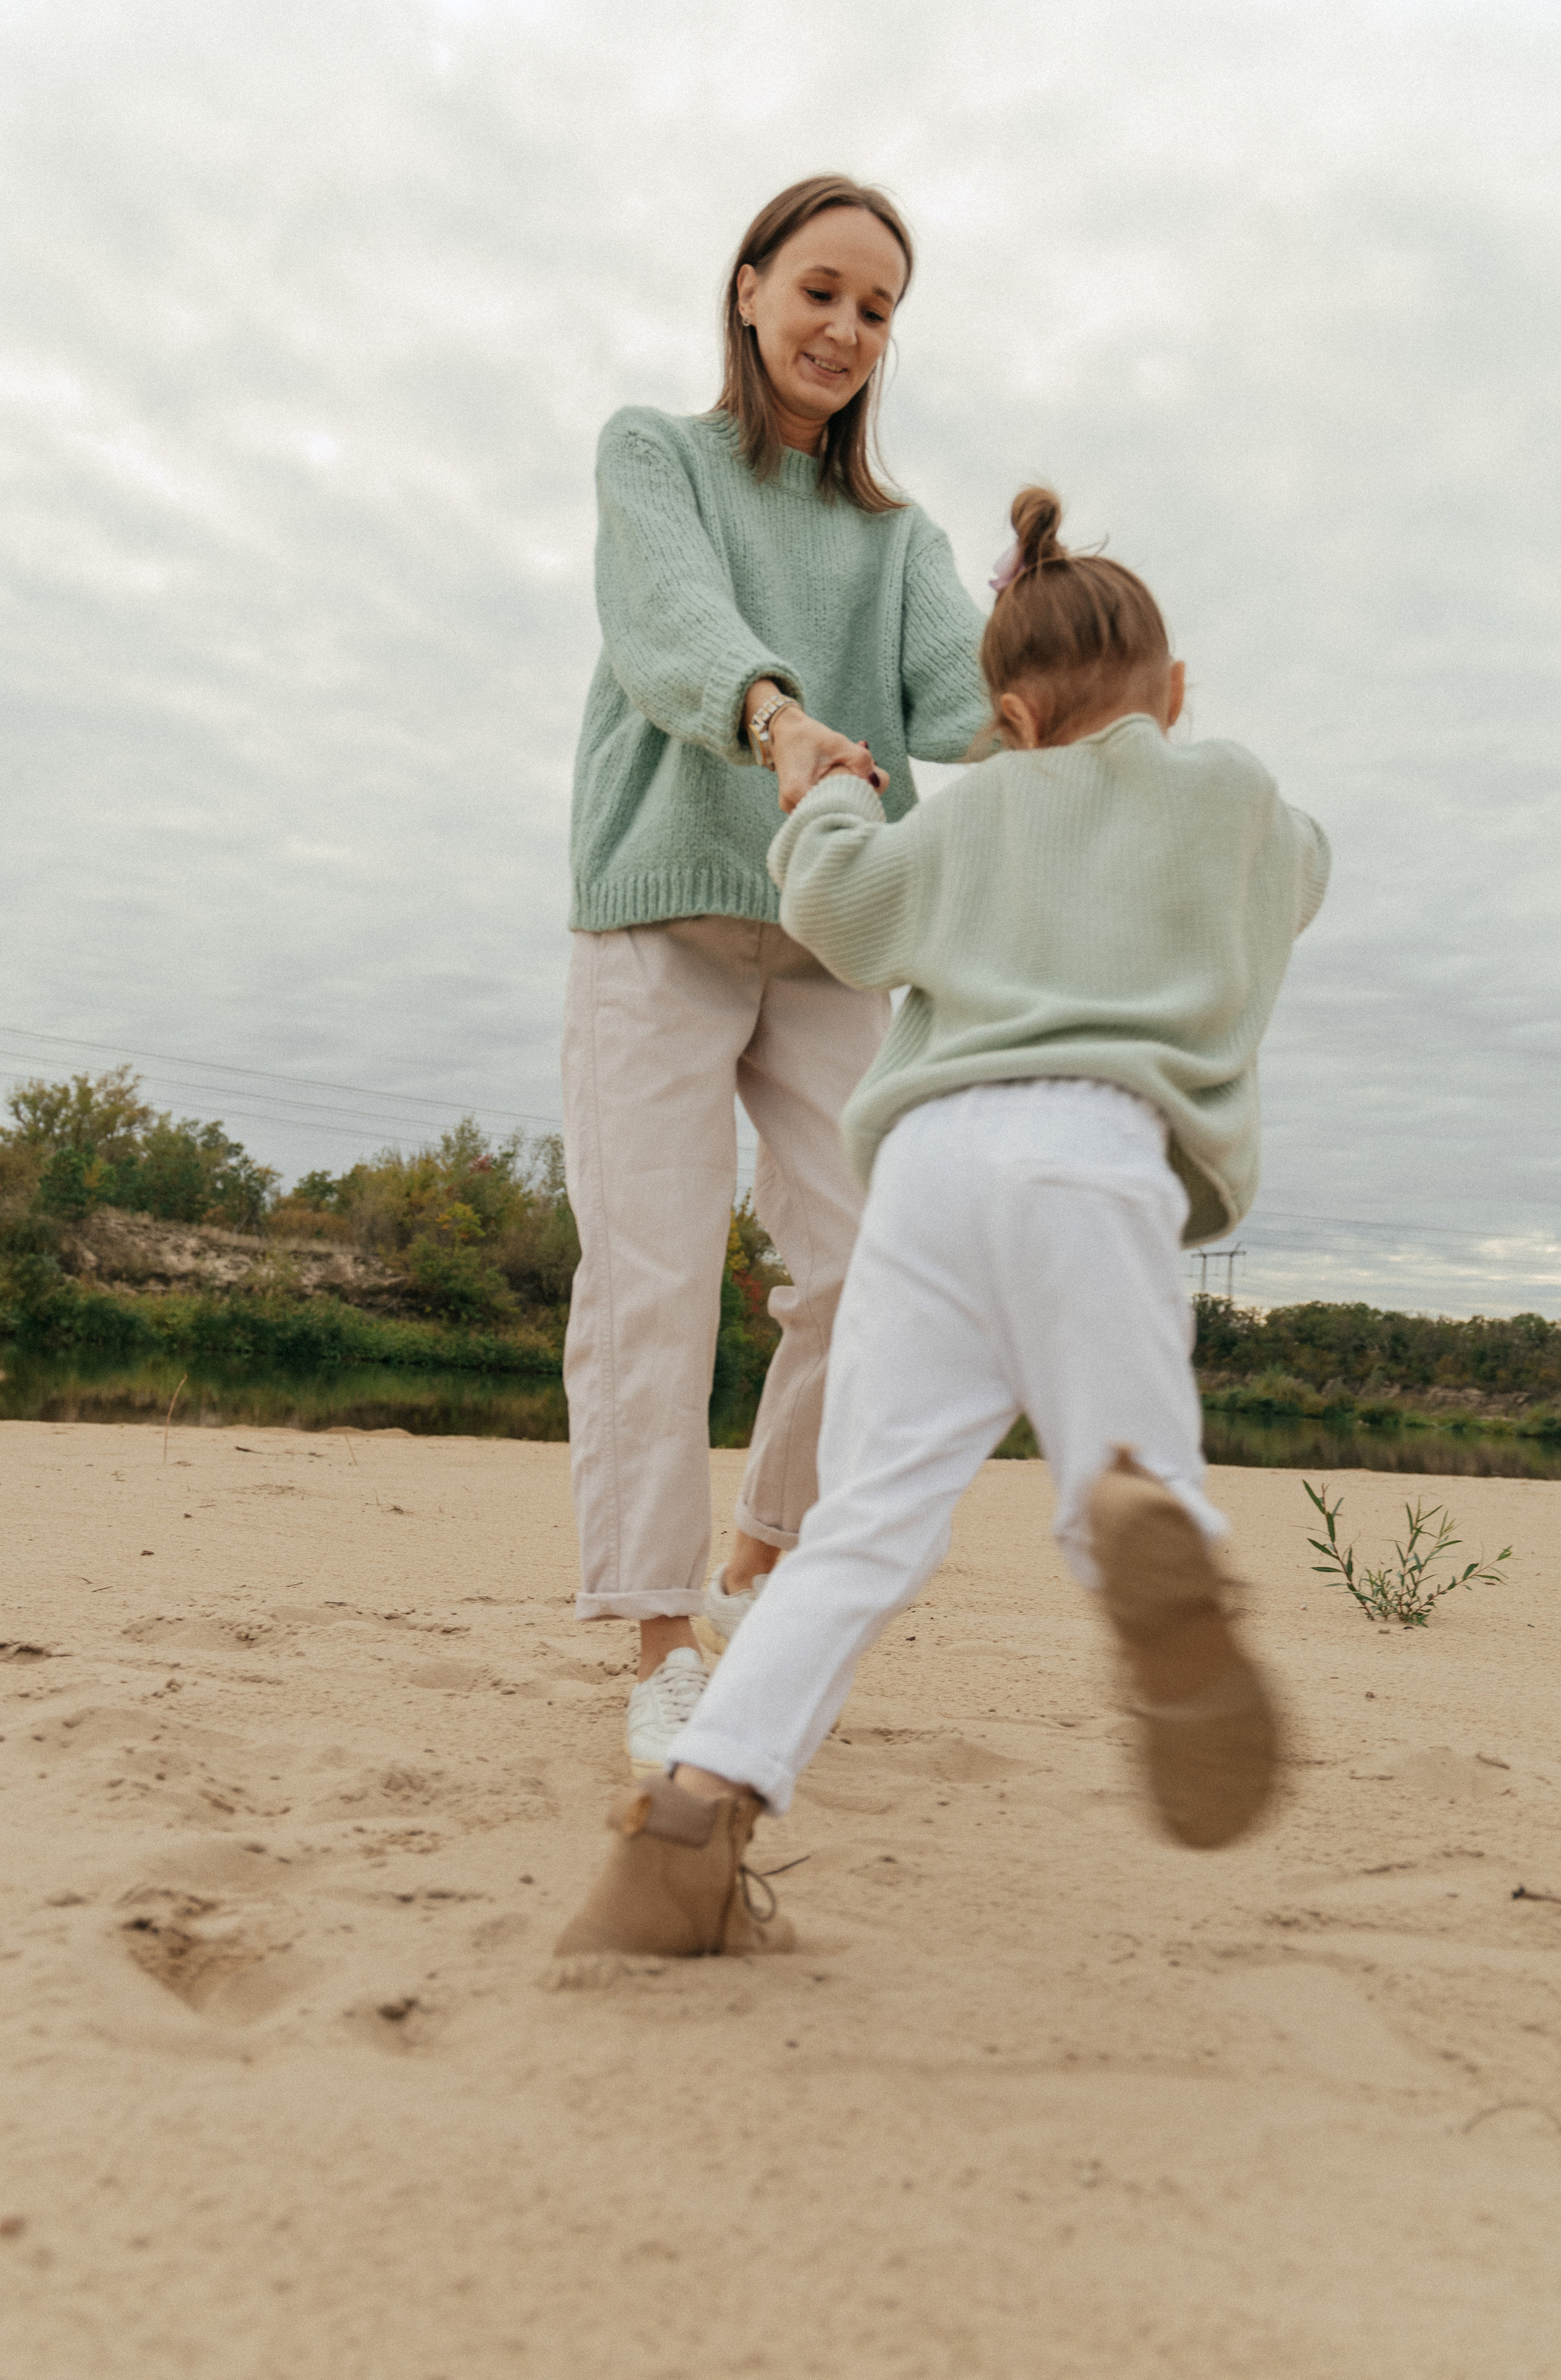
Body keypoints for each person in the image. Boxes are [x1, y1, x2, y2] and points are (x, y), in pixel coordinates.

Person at [556, 484, 1332, 1959]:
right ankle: (1136, 1524)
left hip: (926, 1169)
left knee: (862, 1531)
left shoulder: (972, 817)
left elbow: (842, 907)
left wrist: (834, 795)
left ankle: (692, 1821)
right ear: (1170, 693)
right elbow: (1300, 872)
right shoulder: (1229, 796)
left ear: (1012, 726)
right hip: (1097, 1151)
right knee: (1124, 1464)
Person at [561, 174, 990, 1773]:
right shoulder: (651, 455)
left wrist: (1071, 679)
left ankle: (756, 1563)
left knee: (876, 1268)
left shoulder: (897, 538)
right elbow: (670, 619)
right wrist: (775, 717)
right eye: (818, 291)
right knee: (654, 1277)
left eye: (875, 311)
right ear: (747, 291)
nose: (843, 330)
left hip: (829, 935)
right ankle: (660, 1636)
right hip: (659, 913)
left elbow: (961, 695)